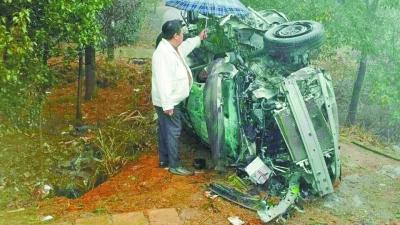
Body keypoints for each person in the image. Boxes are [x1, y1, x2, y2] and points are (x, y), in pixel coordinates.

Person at [151, 19, 207, 176]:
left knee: (164, 129)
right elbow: (162, 81)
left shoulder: (172, 48)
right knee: (173, 130)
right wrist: (167, 105)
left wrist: (199, 38)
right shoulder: (162, 54)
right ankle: (174, 165)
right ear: (175, 36)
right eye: (181, 33)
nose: (183, 35)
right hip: (168, 101)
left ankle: (164, 160)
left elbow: (186, 46)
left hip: (167, 100)